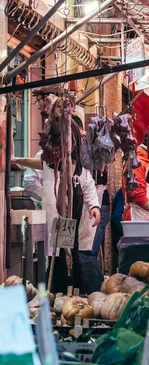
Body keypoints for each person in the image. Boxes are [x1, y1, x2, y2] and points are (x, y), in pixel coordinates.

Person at [12, 115, 101, 294]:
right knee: (60, 254)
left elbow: (87, 184)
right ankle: (62, 293)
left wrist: (93, 206)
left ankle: (69, 292)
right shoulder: (51, 155)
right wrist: (16, 160)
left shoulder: (75, 158)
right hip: (58, 212)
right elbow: (41, 164)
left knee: (67, 253)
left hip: (68, 211)